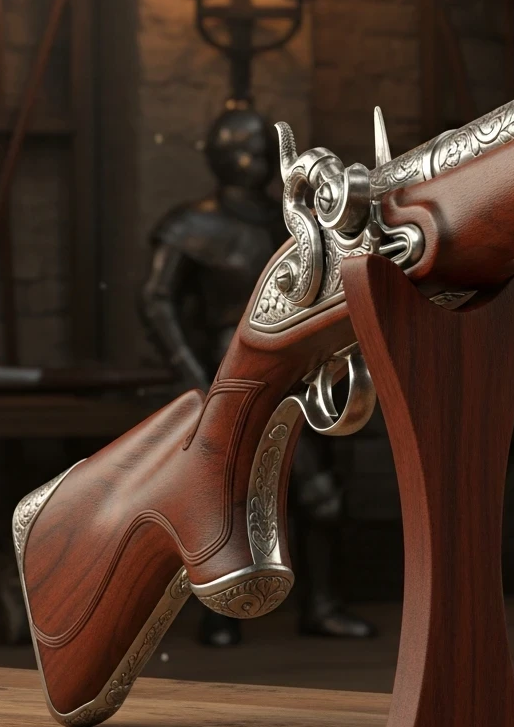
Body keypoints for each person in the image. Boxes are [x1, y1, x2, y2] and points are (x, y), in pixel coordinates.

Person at [141, 97, 375, 645]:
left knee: (320, 493)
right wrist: (192, 375)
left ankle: (320, 605)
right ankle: (221, 612)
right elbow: (155, 300)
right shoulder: (190, 225)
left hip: (303, 360)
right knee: (228, 495)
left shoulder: (292, 218)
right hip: (232, 369)